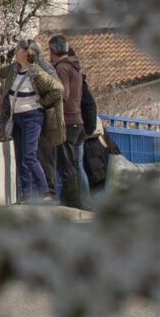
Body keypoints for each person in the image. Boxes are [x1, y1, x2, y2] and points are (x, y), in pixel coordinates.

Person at [0, 39, 65, 202]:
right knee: (21, 157)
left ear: (26, 53)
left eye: (18, 49)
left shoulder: (36, 72)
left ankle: (45, 192)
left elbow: (58, 89)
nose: (15, 51)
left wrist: (44, 101)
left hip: (33, 116)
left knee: (30, 155)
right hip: (16, 116)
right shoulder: (14, 69)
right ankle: (25, 196)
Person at [47, 33, 94, 208]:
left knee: (66, 165)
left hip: (66, 120)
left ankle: (71, 202)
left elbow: (63, 94)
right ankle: (81, 201)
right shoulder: (76, 68)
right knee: (75, 164)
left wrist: (46, 99)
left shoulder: (61, 69)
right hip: (78, 120)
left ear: (53, 51)